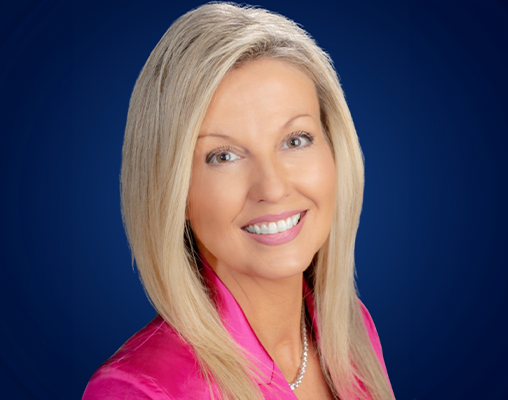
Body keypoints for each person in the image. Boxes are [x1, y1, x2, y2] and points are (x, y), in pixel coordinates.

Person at [82, 3, 395, 399]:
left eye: (295, 140)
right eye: (224, 156)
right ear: (173, 191)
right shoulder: (139, 390)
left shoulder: (350, 331)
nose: (273, 187)